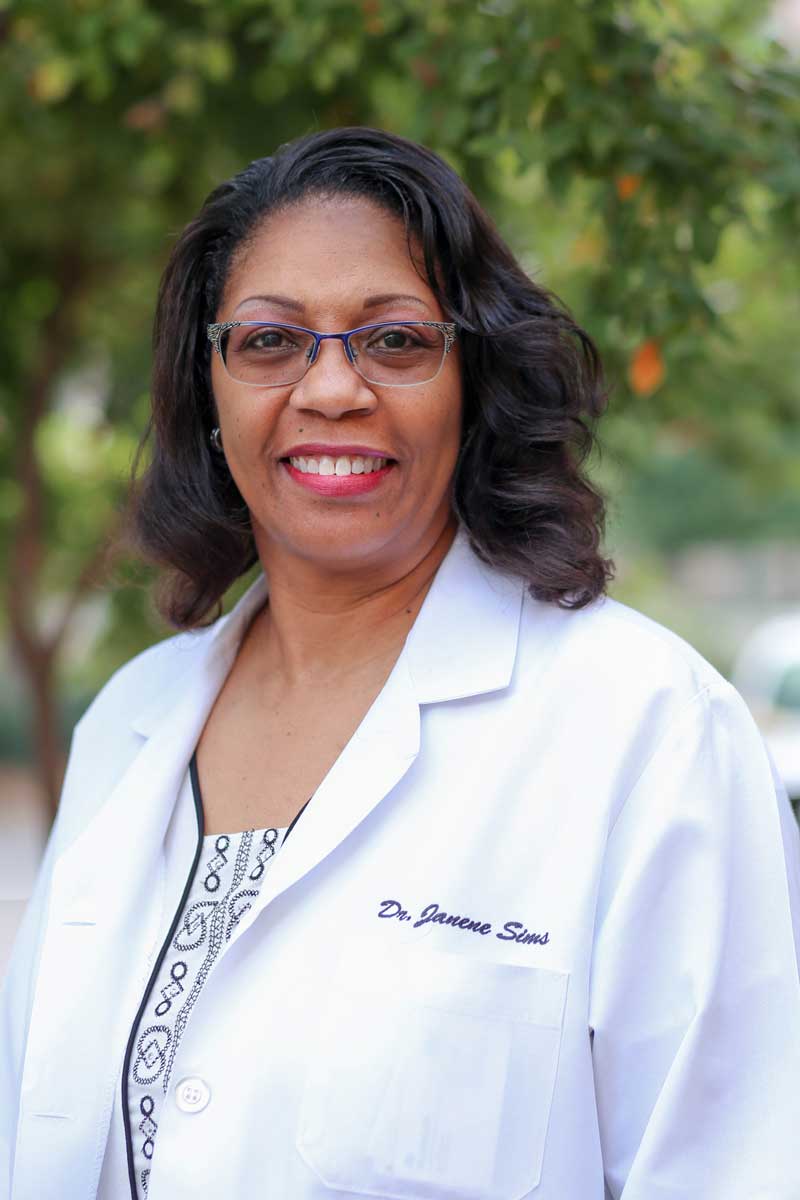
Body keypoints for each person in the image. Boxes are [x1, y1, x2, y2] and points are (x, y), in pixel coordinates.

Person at [1, 126, 799, 1200]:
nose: (332, 389)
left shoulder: (648, 730)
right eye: (269, 340)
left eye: (394, 340)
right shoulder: (128, 724)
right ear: (211, 388)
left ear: (474, 379)